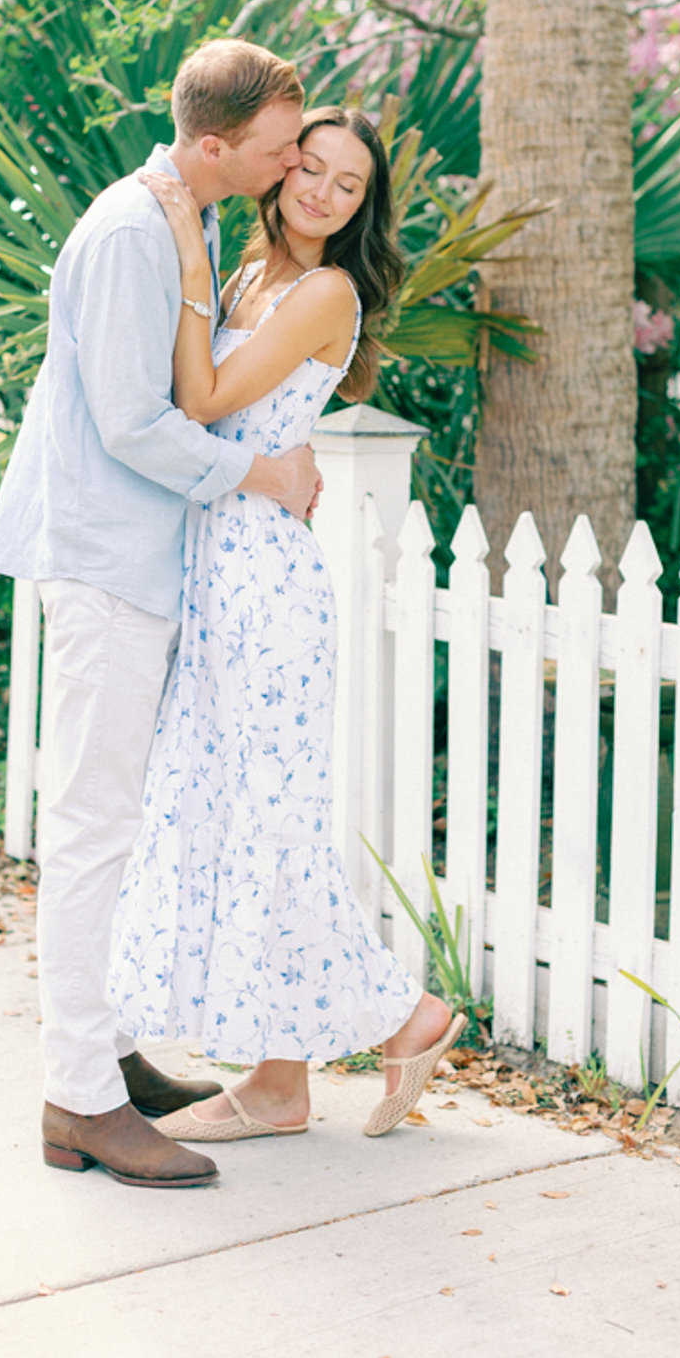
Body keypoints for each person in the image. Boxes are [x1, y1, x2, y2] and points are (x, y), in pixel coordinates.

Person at [0, 40, 323, 1188]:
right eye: (281, 145)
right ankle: (77, 1102)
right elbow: (133, 419)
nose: (294, 161)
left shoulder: (190, 213)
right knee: (91, 828)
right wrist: (261, 476)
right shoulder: (137, 229)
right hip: (107, 560)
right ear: (217, 142)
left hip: (135, 557)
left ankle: (109, 1058)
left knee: (113, 821)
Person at [109, 106, 465, 1143]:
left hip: (265, 585)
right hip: (216, 574)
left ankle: (394, 1024)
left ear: (362, 209)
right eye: (311, 167)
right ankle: (282, 1079)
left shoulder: (323, 292)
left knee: (273, 825)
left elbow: (203, 396)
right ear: (280, 167)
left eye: (347, 186)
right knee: (234, 821)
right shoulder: (252, 273)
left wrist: (181, 251)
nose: (321, 191)